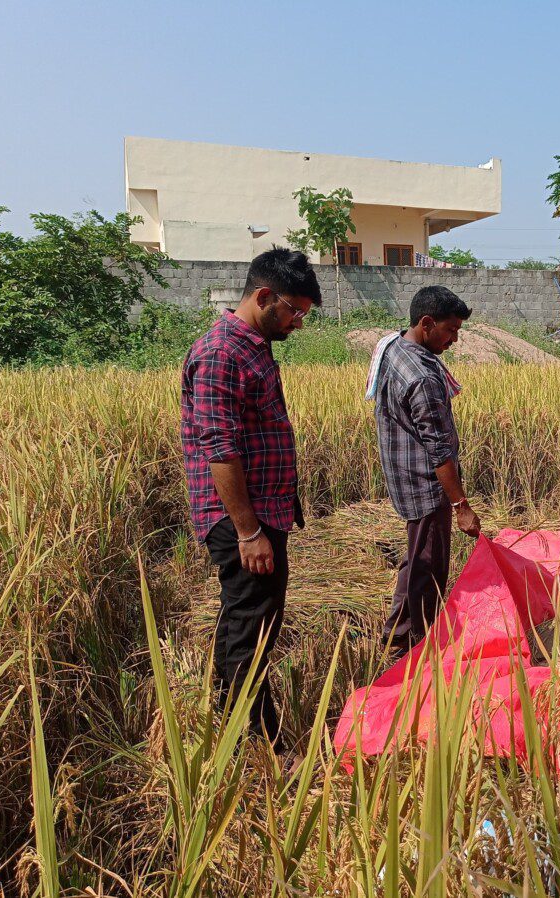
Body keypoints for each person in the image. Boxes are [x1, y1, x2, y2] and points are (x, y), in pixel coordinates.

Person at [180, 247, 321, 750]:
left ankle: (230, 726)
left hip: (261, 515)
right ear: (264, 296)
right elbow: (220, 448)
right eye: (295, 311)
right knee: (251, 632)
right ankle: (260, 744)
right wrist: (248, 530)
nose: (298, 323)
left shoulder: (252, 347)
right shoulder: (221, 353)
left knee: (249, 622)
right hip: (244, 519)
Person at [370, 285, 481, 661]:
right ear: (427, 323)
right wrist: (461, 505)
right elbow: (438, 450)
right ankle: (412, 645)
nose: (454, 340)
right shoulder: (422, 378)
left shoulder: (394, 346)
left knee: (417, 556)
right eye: (450, 331)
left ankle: (404, 635)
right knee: (427, 567)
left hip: (403, 475)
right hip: (425, 485)